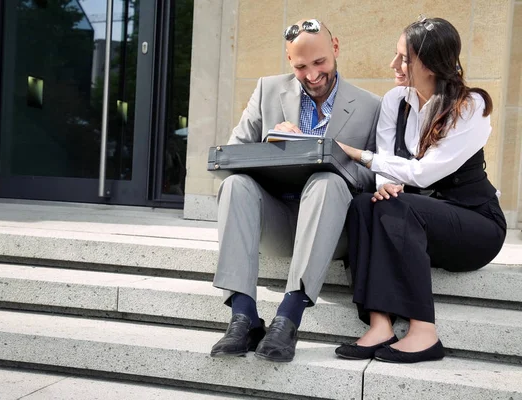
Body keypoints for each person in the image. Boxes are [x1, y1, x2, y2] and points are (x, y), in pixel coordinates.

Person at [334, 17, 507, 363]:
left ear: (430, 64)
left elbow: (424, 174)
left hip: (476, 226)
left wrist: (361, 157)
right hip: (418, 222)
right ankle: (380, 323)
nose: (394, 65)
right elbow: (387, 160)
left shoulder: (469, 106)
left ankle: (424, 332)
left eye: (404, 58)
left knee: (402, 207)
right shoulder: (395, 100)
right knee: (365, 204)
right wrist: (383, 189)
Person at [210, 18, 382, 362]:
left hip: (332, 229)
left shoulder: (370, 105)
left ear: (335, 49)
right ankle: (242, 318)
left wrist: (332, 155)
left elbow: (376, 178)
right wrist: (273, 143)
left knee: (327, 181)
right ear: (290, 61)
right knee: (235, 185)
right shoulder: (267, 90)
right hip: (277, 221)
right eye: (301, 66)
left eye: (319, 63)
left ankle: (288, 319)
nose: (312, 74)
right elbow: (230, 156)